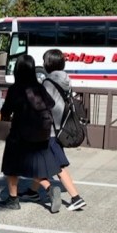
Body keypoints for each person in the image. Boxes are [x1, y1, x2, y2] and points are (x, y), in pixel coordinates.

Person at [20, 49, 87, 211]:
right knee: (42, 163)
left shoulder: (49, 83)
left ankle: (75, 197)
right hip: (60, 128)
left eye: (44, 61)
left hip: (48, 131)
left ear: (48, 63)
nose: (43, 64)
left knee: (55, 166)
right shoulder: (65, 80)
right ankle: (32, 191)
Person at [0, 54, 61, 211]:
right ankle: (50, 189)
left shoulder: (15, 89)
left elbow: (5, 113)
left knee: (11, 166)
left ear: (17, 70)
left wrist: (1, 116)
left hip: (20, 133)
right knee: (37, 167)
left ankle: (13, 199)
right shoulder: (39, 88)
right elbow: (51, 104)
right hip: (41, 134)